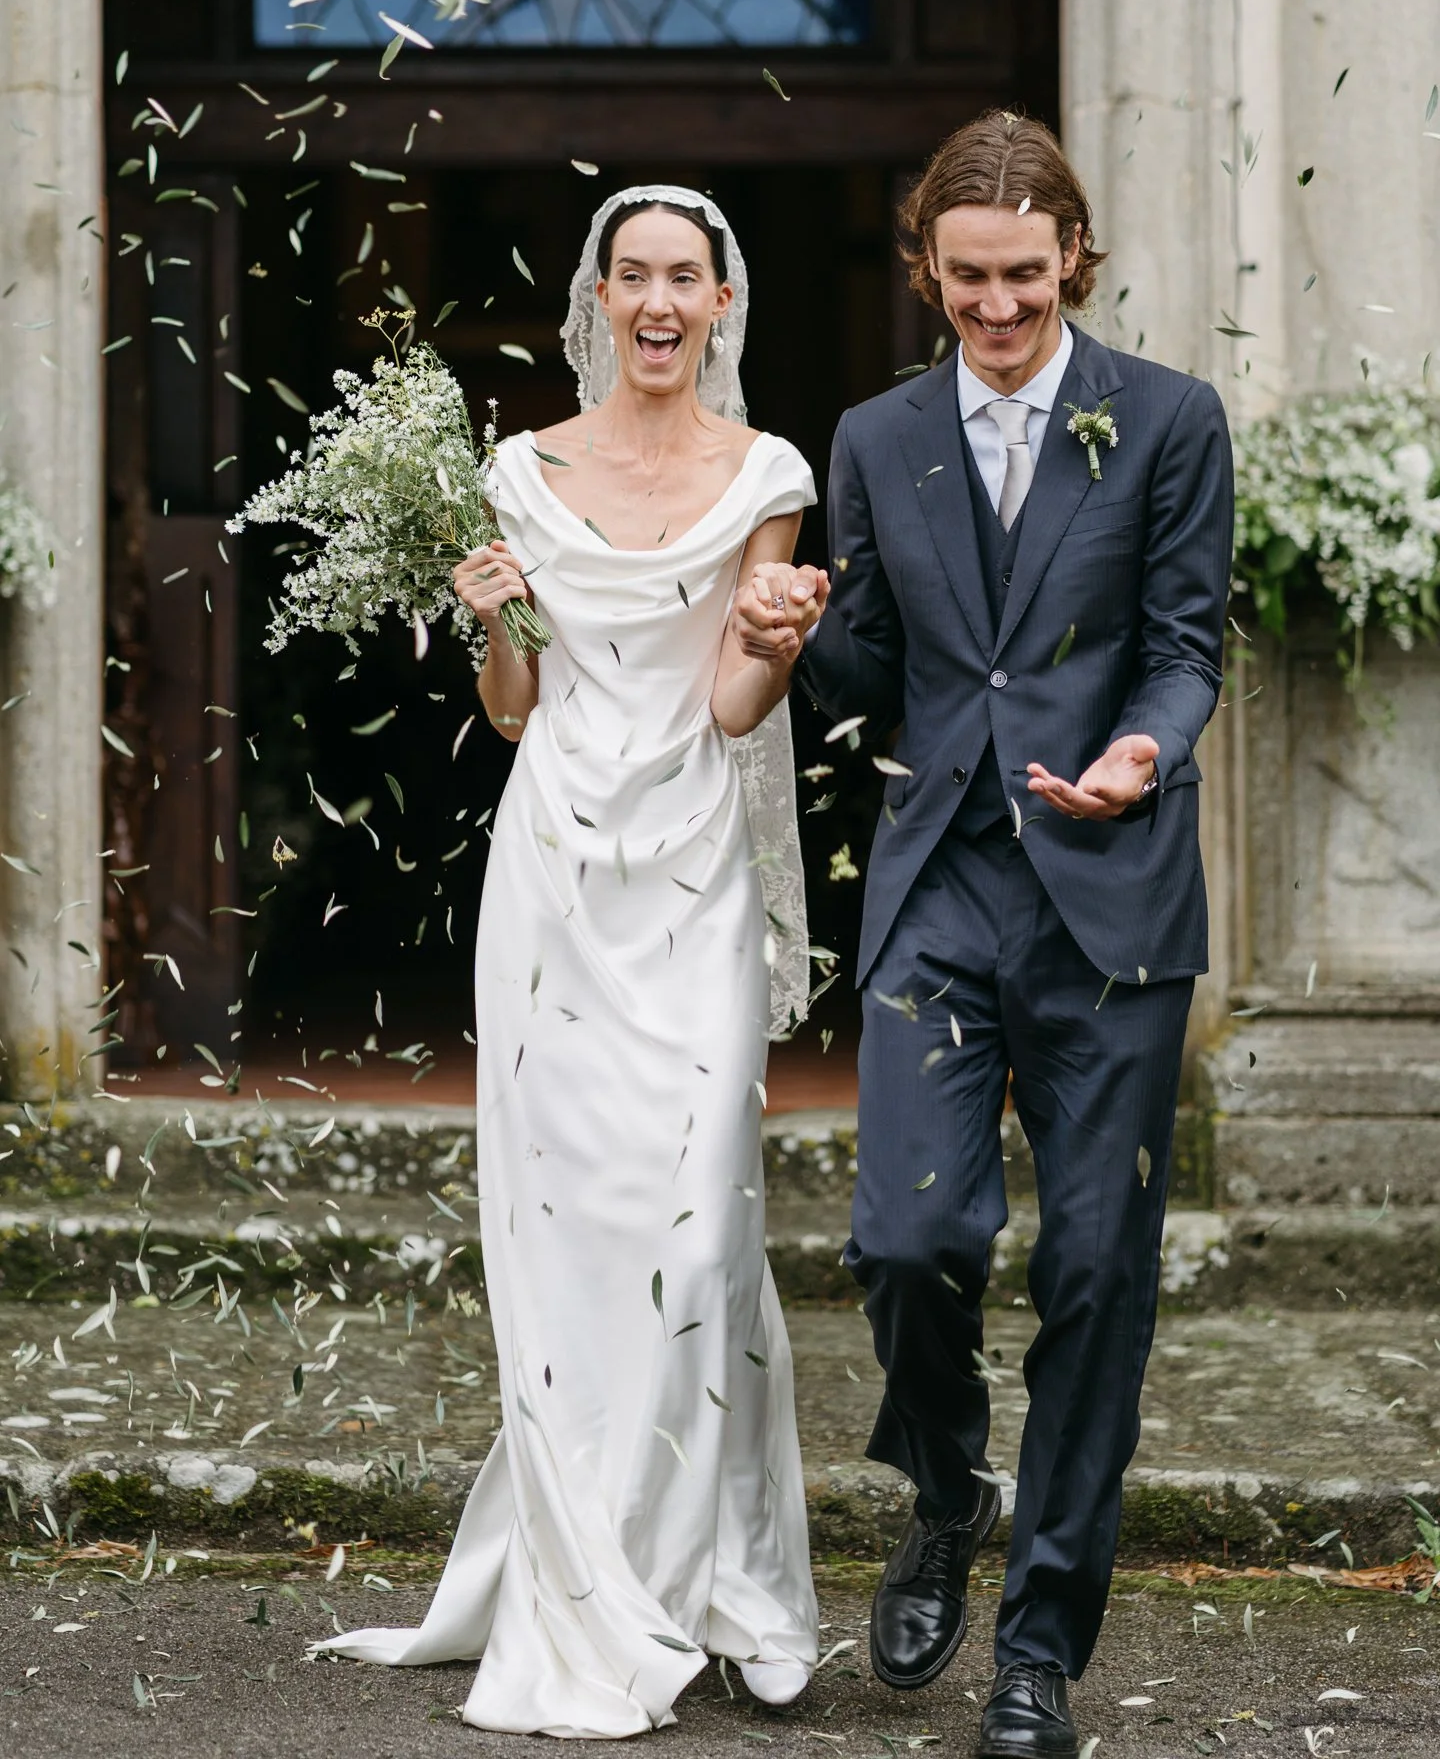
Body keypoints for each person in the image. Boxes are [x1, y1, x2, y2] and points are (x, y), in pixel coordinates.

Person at [733, 113, 1234, 1759]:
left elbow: (1181, 641)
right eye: (969, 282)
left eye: (1026, 279)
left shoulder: (1168, 420)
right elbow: (881, 671)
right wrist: (806, 630)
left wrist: (1143, 750)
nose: (999, 310)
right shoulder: (876, 440)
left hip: (1112, 903)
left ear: (1071, 261)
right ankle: (948, 1485)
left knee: (1099, 1275)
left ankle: (1039, 1654)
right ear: (926, 271)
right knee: (904, 1239)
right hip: (942, 881)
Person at [322, 187, 825, 1736]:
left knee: (697, 1216)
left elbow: (736, 712)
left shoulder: (771, 474)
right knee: (564, 1230)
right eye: (636, 277)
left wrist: (778, 632)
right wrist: (495, 620)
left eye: (689, 277)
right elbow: (519, 711)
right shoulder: (514, 470)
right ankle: (585, 1571)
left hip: (690, 877)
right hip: (554, 875)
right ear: (598, 299)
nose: (661, 302)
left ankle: (709, 1581)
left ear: (722, 302)